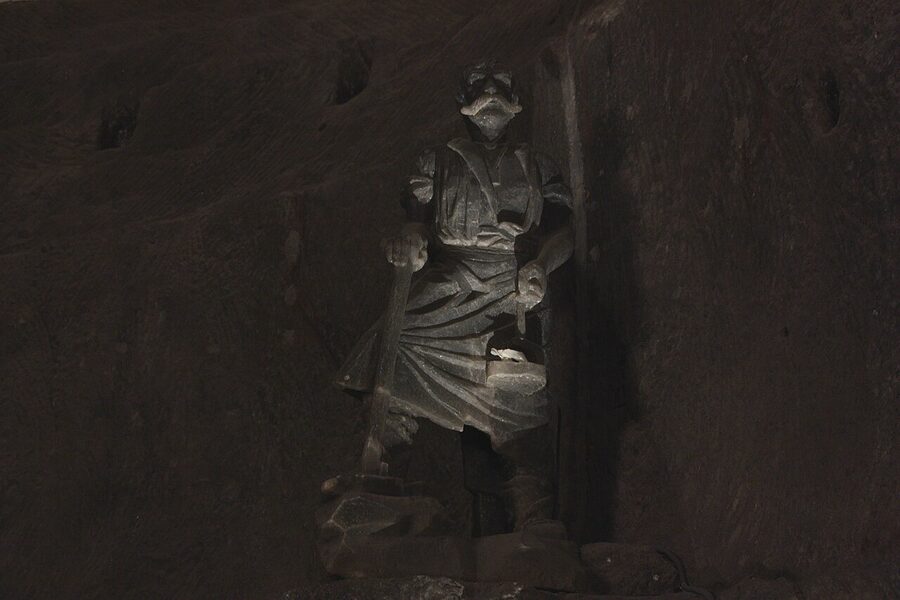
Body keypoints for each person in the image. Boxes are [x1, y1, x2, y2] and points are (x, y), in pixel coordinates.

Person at [336, 61, 574, 531]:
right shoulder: (436, 162)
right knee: (396, 340)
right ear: (462, 100)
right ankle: (380, 470)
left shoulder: (538, 164)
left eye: (502, 84)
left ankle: (533, 511)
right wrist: (410, 242)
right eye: (479, 85)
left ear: (517, 100)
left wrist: (540, 267)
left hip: (511, 288)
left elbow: (564, 231)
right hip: (452, 282)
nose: (491, 93)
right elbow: (415, 223)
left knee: (518, 391)